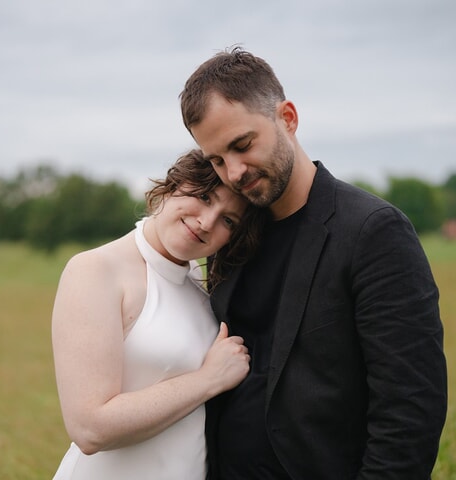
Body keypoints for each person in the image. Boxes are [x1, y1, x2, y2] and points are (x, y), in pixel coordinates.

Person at [179, 47, 447, 479]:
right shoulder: (230, 235)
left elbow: (410, 410)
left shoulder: (373, 231)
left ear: (287, 118)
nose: (234, 172)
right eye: (217, 159)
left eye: (243, 145)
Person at [51, 149, 266, 479]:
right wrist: (208, 379)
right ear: (173, 184)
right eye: (205, 197)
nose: (206, 222)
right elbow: (90, 429)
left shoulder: (195, 278)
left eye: (228, 220)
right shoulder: (95, 270)